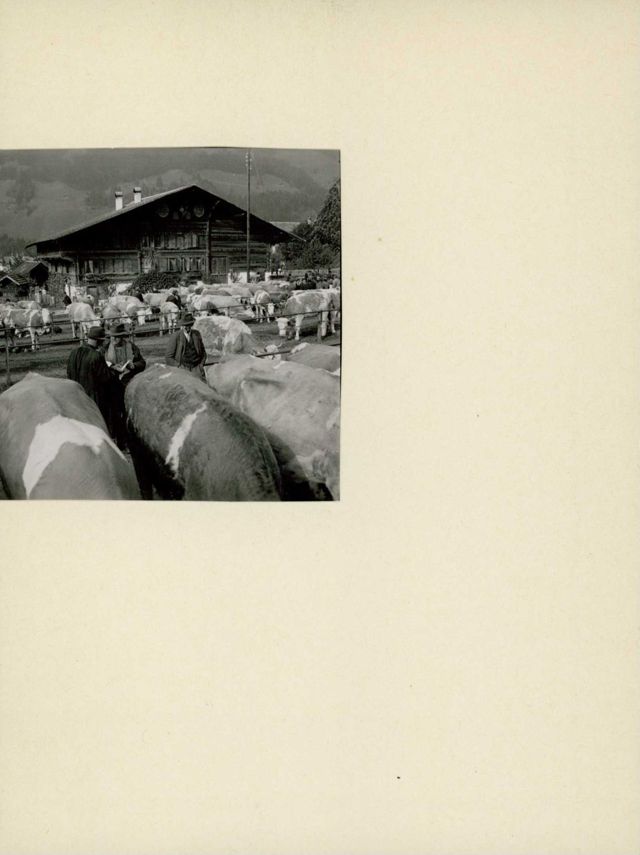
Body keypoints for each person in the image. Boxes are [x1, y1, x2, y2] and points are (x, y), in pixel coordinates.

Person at [104, 323, 146, 450]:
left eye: (116, 337)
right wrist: (111, 366)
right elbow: (100, 363)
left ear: (122, 337)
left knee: (128, 413)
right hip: (112, 384)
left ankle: (130, 440)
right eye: (112, 337)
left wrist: (134, 366)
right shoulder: (105, 348)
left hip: (128, 383)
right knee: (115, 414)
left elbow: (142, 363)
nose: (114, 339)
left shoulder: (131, 347)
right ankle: (118, 440)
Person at [66, 325, 112, 427]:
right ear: (98, 341)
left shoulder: (74, 353)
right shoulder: (96, 355)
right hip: (94, 398)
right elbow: (105, 378)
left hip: (76, 395)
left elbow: (69, 372)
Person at [164, 313, 206, 379]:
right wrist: (178, 366)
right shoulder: (175, 336)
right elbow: (168, 357)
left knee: (202, 384)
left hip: (196, 368)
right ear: (182, 325)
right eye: (184, 325)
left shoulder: (196, 334)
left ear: (192, 325)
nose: (186, 327)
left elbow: (203, 352)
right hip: (182, 368)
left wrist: (201, 365)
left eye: (189, 325)